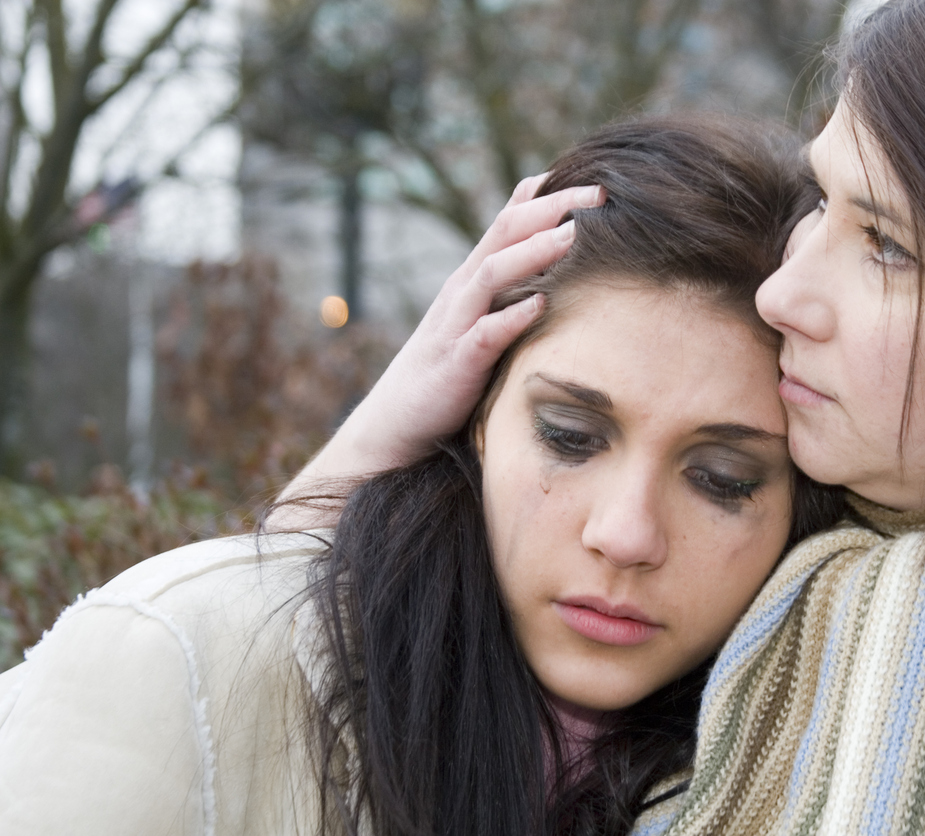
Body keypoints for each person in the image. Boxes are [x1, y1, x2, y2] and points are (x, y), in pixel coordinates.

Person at [281, 1, 925, 834]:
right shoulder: (792, 626)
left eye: (885, 245)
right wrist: (382, 438)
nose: (784, 292)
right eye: (821, 203)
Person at [0, 116, 844, 835]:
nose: (625, 535)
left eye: (724, 480)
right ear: (477, 414)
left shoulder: (846, 762)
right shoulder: (165, 662)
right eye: (571, 436)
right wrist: (377, 427)